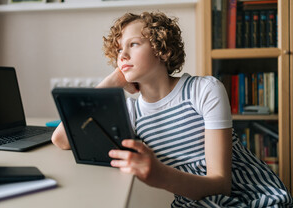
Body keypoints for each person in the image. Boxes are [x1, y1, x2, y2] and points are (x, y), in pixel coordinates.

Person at [51, 12, 293, 207]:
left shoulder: (204, 90)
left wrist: (158, 175)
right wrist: (113, 80)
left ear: (163, 50)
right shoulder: (132, 113)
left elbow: (221, 185)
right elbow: (61, 138)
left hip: (253, 197)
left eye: (133, 44)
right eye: (118, 51)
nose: (122, 55)